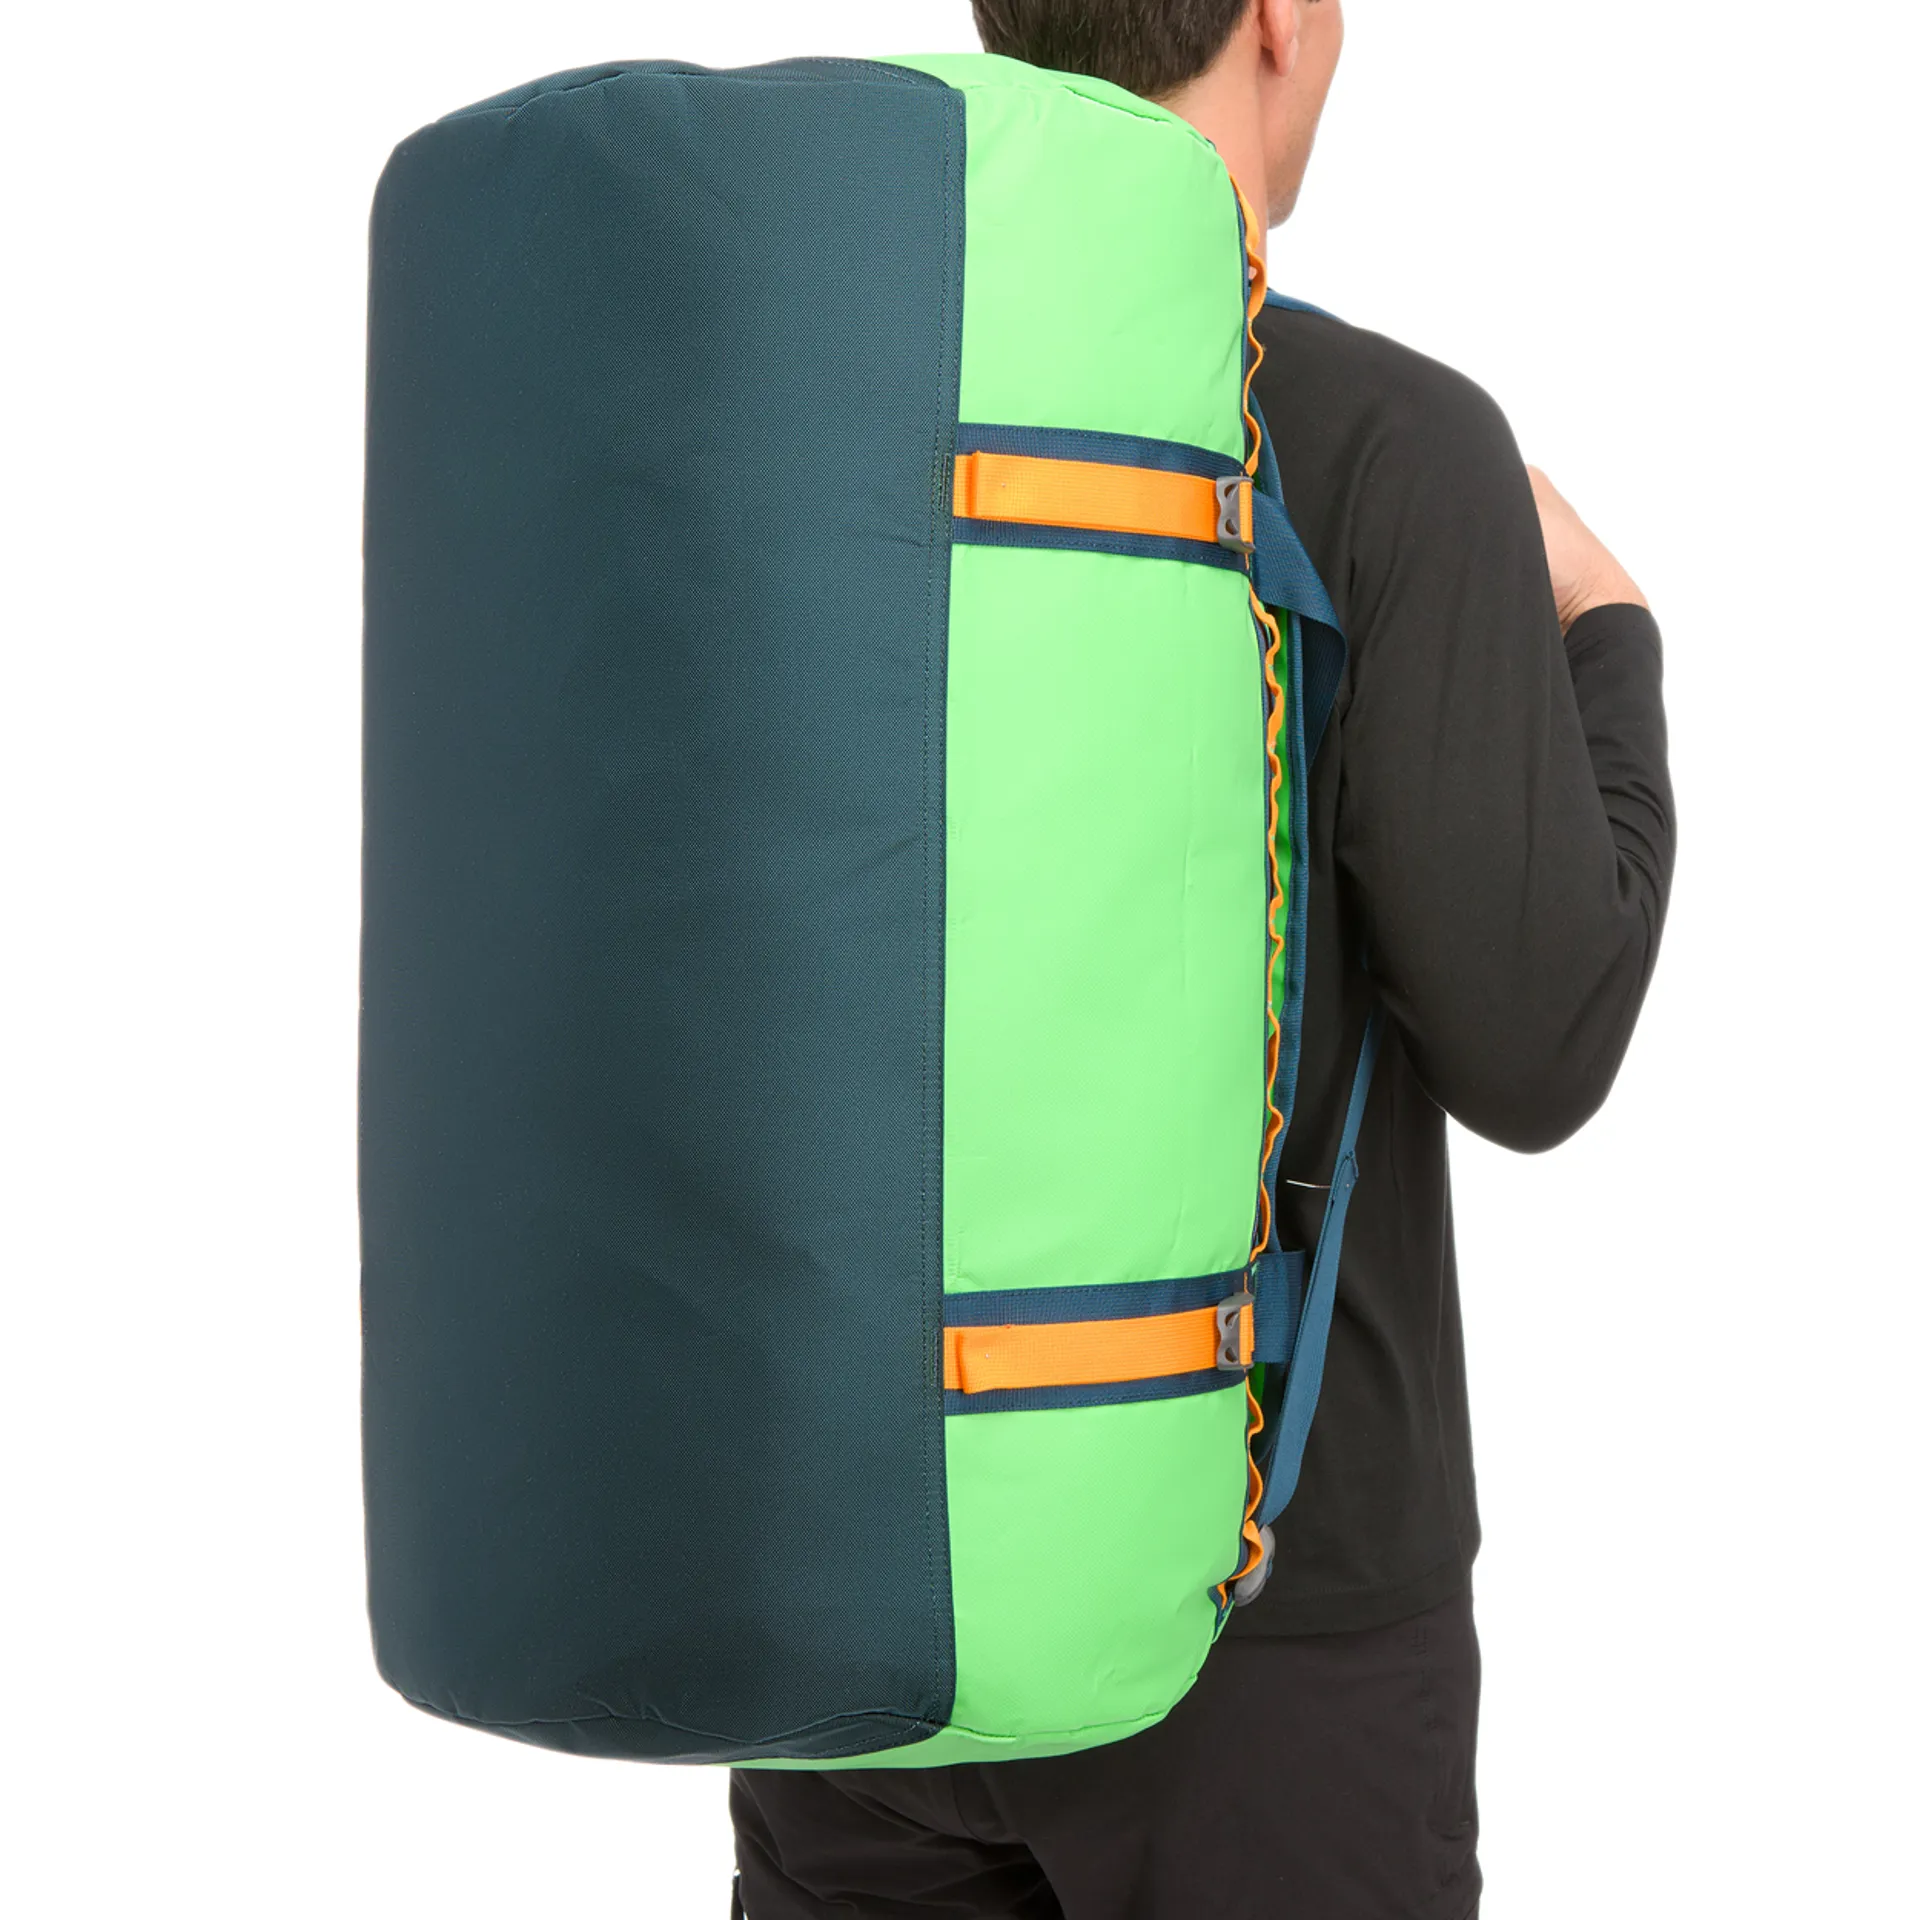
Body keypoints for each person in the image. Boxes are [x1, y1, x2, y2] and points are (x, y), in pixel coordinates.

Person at [731, 2, 1675, 1912]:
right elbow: (1540, 1040)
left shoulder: (808, 405)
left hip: (858, 1597)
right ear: (1281, 22)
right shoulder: (1389, 441)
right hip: (1270, 1621)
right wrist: (1605, 630)